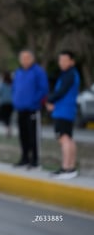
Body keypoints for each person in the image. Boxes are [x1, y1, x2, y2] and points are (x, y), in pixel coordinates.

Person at [12, 49, 49, 169]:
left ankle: (35, 160)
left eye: (27, 58)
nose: (24, 60)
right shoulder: (18, 72)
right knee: (23, 135)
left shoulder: (38, 71)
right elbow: (14, 88)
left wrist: (34, 101)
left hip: (32, 109)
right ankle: (24, 158)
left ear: (32, 59)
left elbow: (43, 89)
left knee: (33, 135)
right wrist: (15, 100)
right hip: (20, 108)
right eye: (22, 58)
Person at [46, 50, 80, 179]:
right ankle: (70, 167)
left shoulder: (69, 74)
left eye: (65, 60)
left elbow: (61, 91)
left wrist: (49, 100)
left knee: (64, 139)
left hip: (63, 111)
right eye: (60, 60)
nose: (62, 63)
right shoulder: (69, 74)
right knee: (69, 139)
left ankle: (66, 169)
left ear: (72, 61)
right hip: (67, 110)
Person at [0, 71, 14, 138]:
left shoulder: (2, 84)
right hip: (11, 103)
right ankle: (9, 129)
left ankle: (7, 130)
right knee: (8, 117)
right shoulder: (12, 84)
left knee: (5, 117)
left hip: (4, 103)